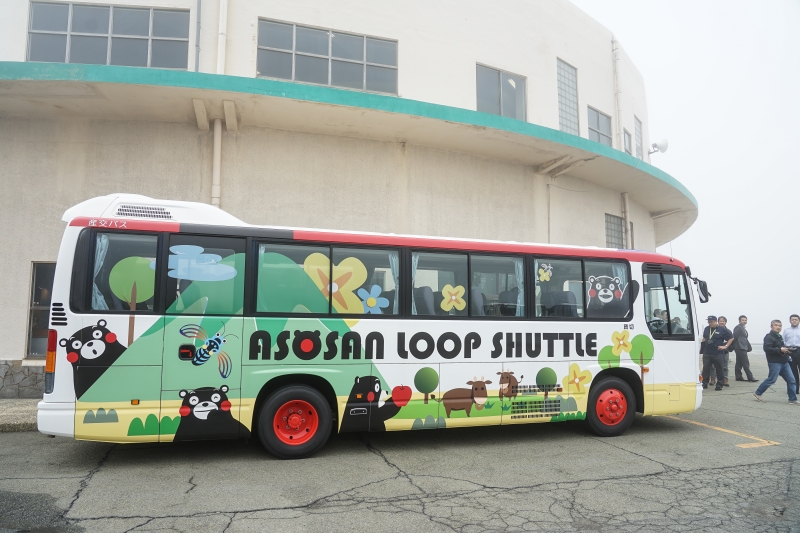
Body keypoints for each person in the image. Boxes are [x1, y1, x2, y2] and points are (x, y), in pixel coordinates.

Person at [753, 320, 798, 404]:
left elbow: (780, 347)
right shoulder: (769, 336)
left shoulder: (779, 336)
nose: (778, 327)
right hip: (775, 362)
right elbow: (766, 349)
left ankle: (792, 399)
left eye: (780, 325)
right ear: (771, 327)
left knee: (791, 380)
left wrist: (787, 350)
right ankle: (757, 393)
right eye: (776, 325)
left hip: (784, 362)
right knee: (771, 379)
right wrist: (780, 349)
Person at [701, 316, 733, 391]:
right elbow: (705, 337)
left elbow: (731, 338)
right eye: (709, 321)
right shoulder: (706, 328)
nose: (710, 323)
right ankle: (704, 383)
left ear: (716, 321)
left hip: (717, 353)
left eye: (711, 321)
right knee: (705, 369)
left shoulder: (722, 329)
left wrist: (725, 346)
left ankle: (719, 384)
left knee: (719, 369)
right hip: (707, 352)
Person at [733, 315, 756, 382]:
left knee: (739, 363)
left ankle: (738, 377)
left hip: (742, 347)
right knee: (746, 363)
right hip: (740, 347)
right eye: (743, 320)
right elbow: (734, 337)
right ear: (739, 321)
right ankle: (750, 377)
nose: (744, 321)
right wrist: (735, 346)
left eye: (745, 320)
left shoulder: (743, 328)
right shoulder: (738, 328)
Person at [782, 314, 800, 395]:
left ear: (799, 320)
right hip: (790, 351)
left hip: (799, 350)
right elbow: (783, 341)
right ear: (790, 321)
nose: (794, 321)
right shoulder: (786, 330)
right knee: (792, 371)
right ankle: (794, 390)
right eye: (792, 319)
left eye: (796, 319)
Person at [716, 316, 733, 387]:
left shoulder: (728, 331)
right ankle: (713, 378)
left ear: (725, 322)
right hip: (716, 351)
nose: (722, 322)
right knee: (714, 366)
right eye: (720, 321)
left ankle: (725, 379)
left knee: (725, 366)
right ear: (718, 322)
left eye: (723, 321)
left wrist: (726, 347)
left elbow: (731, 340)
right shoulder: (715, 330)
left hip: (725, 351)